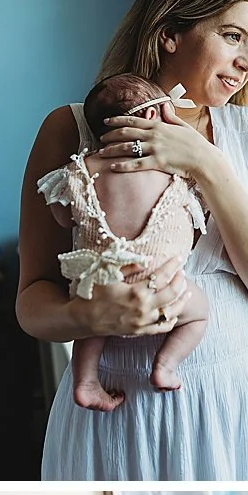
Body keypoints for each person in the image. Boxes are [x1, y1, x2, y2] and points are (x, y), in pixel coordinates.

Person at [17, 0, 248, 480]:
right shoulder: (72, 131)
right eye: (231, 36)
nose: (247, 61)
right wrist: (85, 318)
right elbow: (31, 299)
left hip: (240, 398)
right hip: (116, 407)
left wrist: (208, 166)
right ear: (169, 32)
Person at [44, 75, 210, 411]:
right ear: (153, 117)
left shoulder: (82, 169)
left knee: (90, 327)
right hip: (161, 284)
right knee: (200, 314)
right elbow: (202, 217)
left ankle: (86, 381)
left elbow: (62, 217)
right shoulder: (173, 169)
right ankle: (164, 365)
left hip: (102, 288)